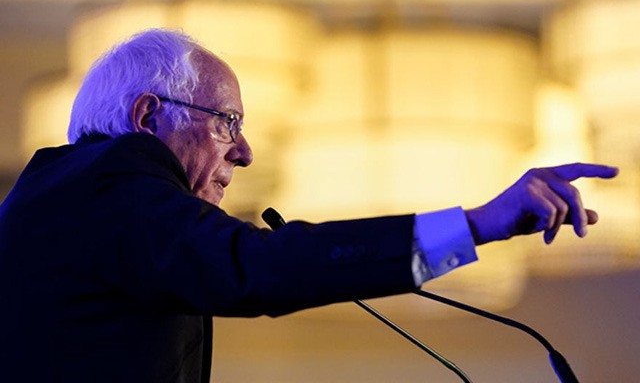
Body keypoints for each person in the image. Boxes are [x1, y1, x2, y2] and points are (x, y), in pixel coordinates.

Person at [0, 28, 618, 383]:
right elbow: (258, 269)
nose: (243, 153)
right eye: (226, 122)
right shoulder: (111, 185)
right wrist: (477, 225)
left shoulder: (66, 198)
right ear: (146, 115)